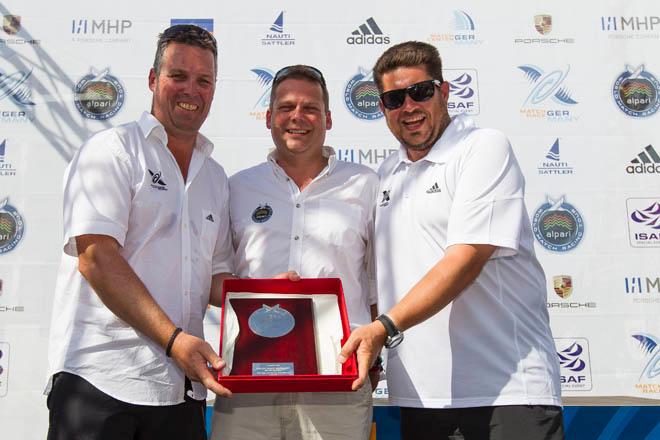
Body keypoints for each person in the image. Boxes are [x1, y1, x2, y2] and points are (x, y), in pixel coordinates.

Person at [339, 41, 564, 440]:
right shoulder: (386, 173)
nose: (408, 106)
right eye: (394, 98)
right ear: (382, 108)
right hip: (422, 398)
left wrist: (383, 327)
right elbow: (380, 279)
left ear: (444, 92)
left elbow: (465, 260)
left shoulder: (482, 147)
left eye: (420, 92)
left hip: (505, 391)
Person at [45, 24, 234, 440]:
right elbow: (95, 258)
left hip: (179, 394)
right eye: (178, 76)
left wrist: (282, 295)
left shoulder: (216, 178)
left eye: (204, 80)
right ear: (153, 80)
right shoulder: (111, 151)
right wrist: (175, 341)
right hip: (99, 382)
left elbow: (216, 282)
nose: (191, 90)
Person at [210, 65, 380, 440]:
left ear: (329, 119)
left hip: (338, 378)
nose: (297, 117)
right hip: (248, 376)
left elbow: (377, 283)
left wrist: (376, 352)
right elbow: (215, 274)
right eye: (286, 107)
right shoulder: (237, 187)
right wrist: (264, 294)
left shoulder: (366, 184)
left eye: (310, 108)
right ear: (269, 117)